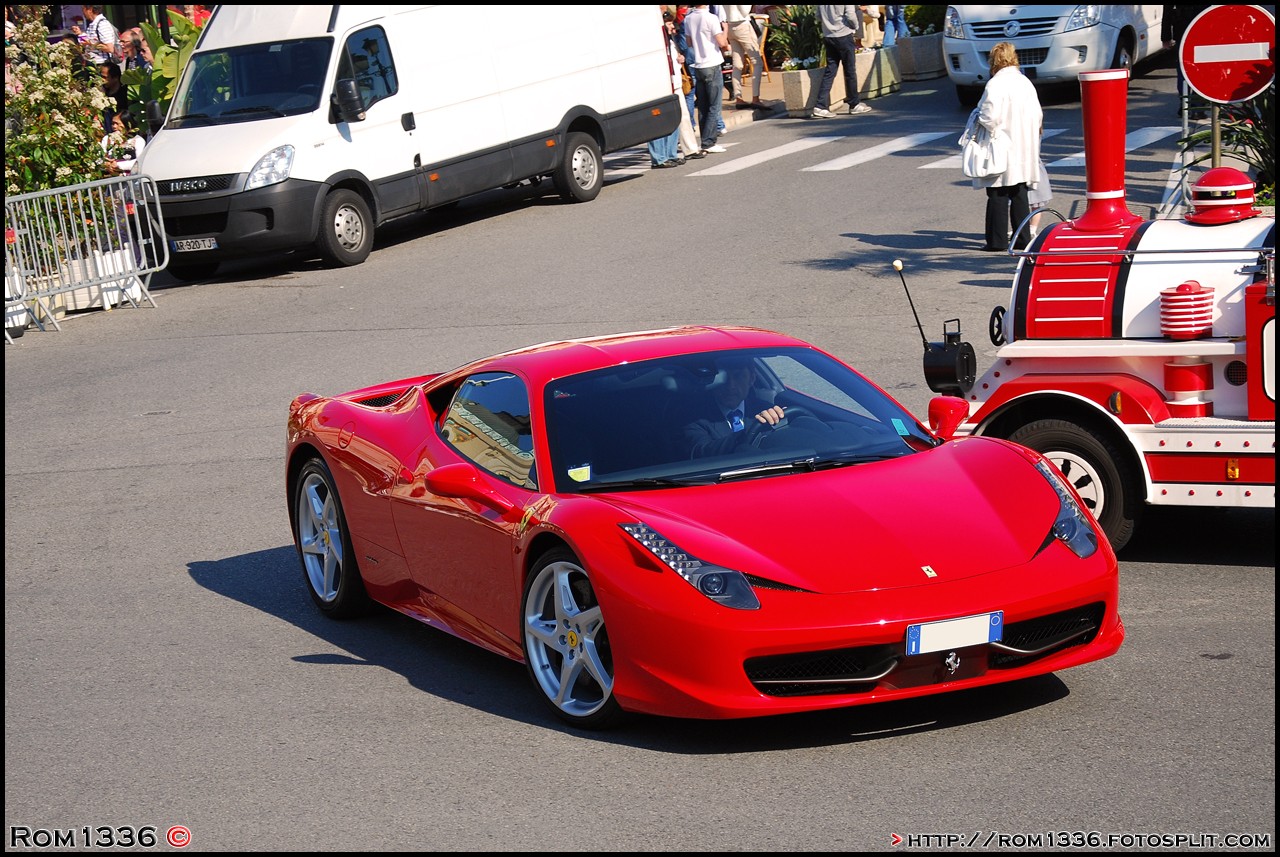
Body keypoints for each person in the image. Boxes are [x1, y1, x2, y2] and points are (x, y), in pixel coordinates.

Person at [972, 42, 1043, 252]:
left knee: (997, 194)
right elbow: (1038, 114)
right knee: (1020, 193)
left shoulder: (995, 84)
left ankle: (997, 241)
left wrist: (978, 117)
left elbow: (989, 117)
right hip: (1023, 144)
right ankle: (1022, 238)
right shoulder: (1024, 82)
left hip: (1001, 144)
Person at [681, 356, 786, 458]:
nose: (731, 386)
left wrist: (783, 420)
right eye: (723, 378)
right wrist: (748, 433)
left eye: (738, 376)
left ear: (752, 379)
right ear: (712, 380)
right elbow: (701, 452)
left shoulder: (767, 410)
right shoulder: (693, 417)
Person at [811, 5, 872, 119]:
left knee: (830, 71)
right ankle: (854, 104)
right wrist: (855, 26)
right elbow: (850, 15)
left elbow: (818, 16)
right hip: (844, 34)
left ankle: (820, 105)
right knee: (850, 71)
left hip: (828, 35)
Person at [683, 5, 729, 155]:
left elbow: (689, 42)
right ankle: (709, 142)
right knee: (714, 105)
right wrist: (725, 29)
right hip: (712, 63)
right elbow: (722, 42)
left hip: (698, 64)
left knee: (703, 105)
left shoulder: (688, 18)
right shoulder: (711, 18)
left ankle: (705, 140)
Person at [648, 9, 687, 169]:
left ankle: (671, 154)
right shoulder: (656, 43)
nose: (672, 26)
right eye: (669, 23)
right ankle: (659, 157)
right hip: (660, 85)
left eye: (672, 23)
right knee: (658, 123)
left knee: (673, 120)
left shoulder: (671, 41)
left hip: (673, 84)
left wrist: (680, 59)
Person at [722, 4, 764, 110]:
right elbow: (744, 11)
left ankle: (738, 97)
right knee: (757, 62)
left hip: (729, 24)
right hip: (742, 24)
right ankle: (755, 98)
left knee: (737, 64)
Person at [101, 110, 146, 175]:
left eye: (117, 123)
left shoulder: (138, 140)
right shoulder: (107, 139)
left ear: (127, 124)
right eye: (113, 123)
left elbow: (139, 161)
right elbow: (100, 158)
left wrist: (118, 165)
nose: (114, 126)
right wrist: (106, 164)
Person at [99, 60, 128, 134]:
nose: (102, 80)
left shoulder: (125, 94)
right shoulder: (102, 91)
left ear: (115, 78)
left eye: (105, 77)